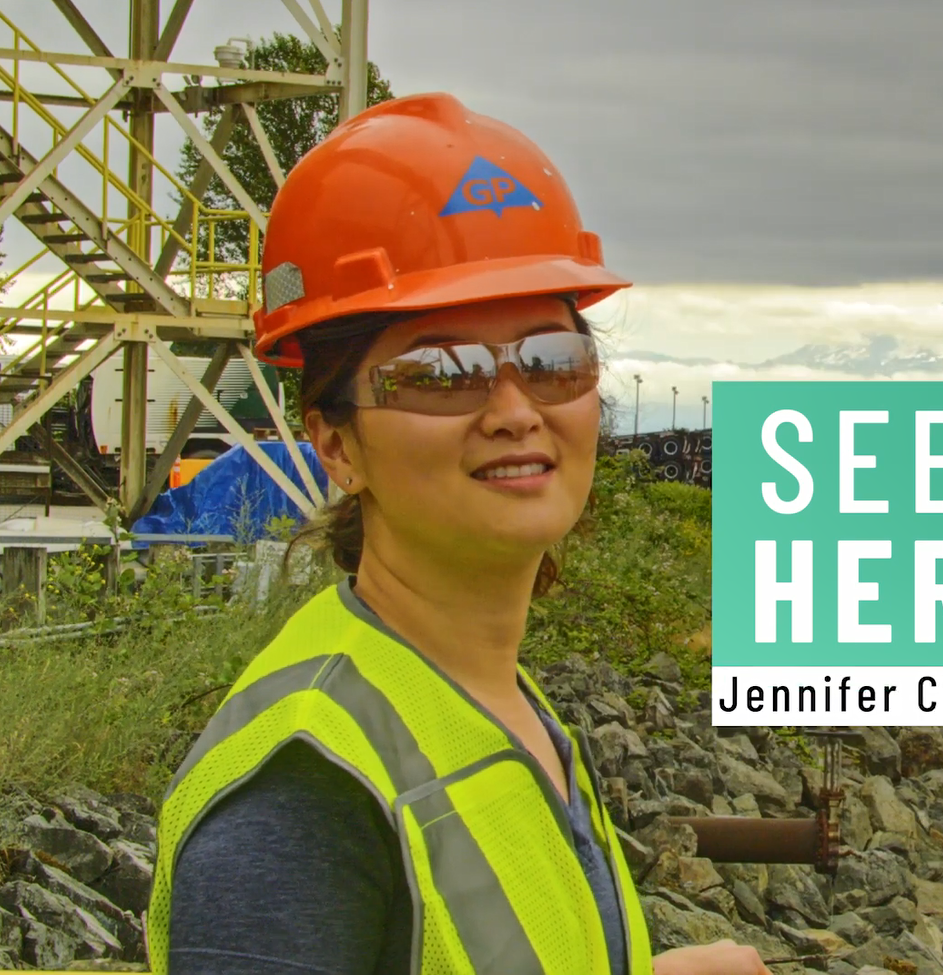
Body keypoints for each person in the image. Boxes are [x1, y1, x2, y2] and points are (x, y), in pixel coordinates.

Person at [145, 92, 772, 975]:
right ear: (335, 442)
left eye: (552, 361)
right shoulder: (307, 793)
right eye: (443, 372)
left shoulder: (500, 706)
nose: (514, 410)